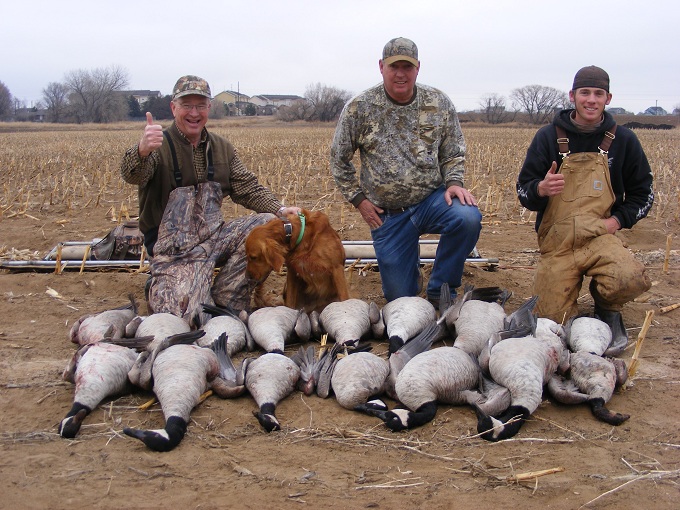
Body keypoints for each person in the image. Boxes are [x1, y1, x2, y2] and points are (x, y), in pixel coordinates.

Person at [120, 75, 299, 327]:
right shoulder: (157, 147)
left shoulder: (221, 148)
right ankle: (162, 282)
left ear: (209, 108)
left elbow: (246, 187)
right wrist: (142, 150)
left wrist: (280, 209)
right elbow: (133, 175)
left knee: (270, 226)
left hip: (214, 239)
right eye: (187, 105)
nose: (194, 113)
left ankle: (228, 296)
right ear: (173, 108)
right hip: (174, 251)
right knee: (188, 321)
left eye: (200, 106)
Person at [330, 37, 482, 306]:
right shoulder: (359, 108)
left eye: (407, 67)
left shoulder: (438, 102)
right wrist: (359, 200)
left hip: (431, 201)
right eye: (394, 66)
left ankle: (441, 287)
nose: (401, 74)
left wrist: (454, 182)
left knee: (467, 217)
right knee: (401, 299)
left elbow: (453, 151)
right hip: (388, 215)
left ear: (418, 68)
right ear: (381, 67)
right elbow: (338, 160)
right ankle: (408, 274)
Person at [517, 65, 654, 351]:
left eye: (598, 94)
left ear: (608, 98)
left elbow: (644, 195)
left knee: (630, 279)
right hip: (557, 243)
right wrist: (541, 189)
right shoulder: (547, 137)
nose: (591, 100)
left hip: (599, 237)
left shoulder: (624, 140)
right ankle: (566, 299)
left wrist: (616, 222)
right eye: (585, 93)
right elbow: (523, 191)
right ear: (572, 96)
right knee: (550, 321)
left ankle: (606, 304)